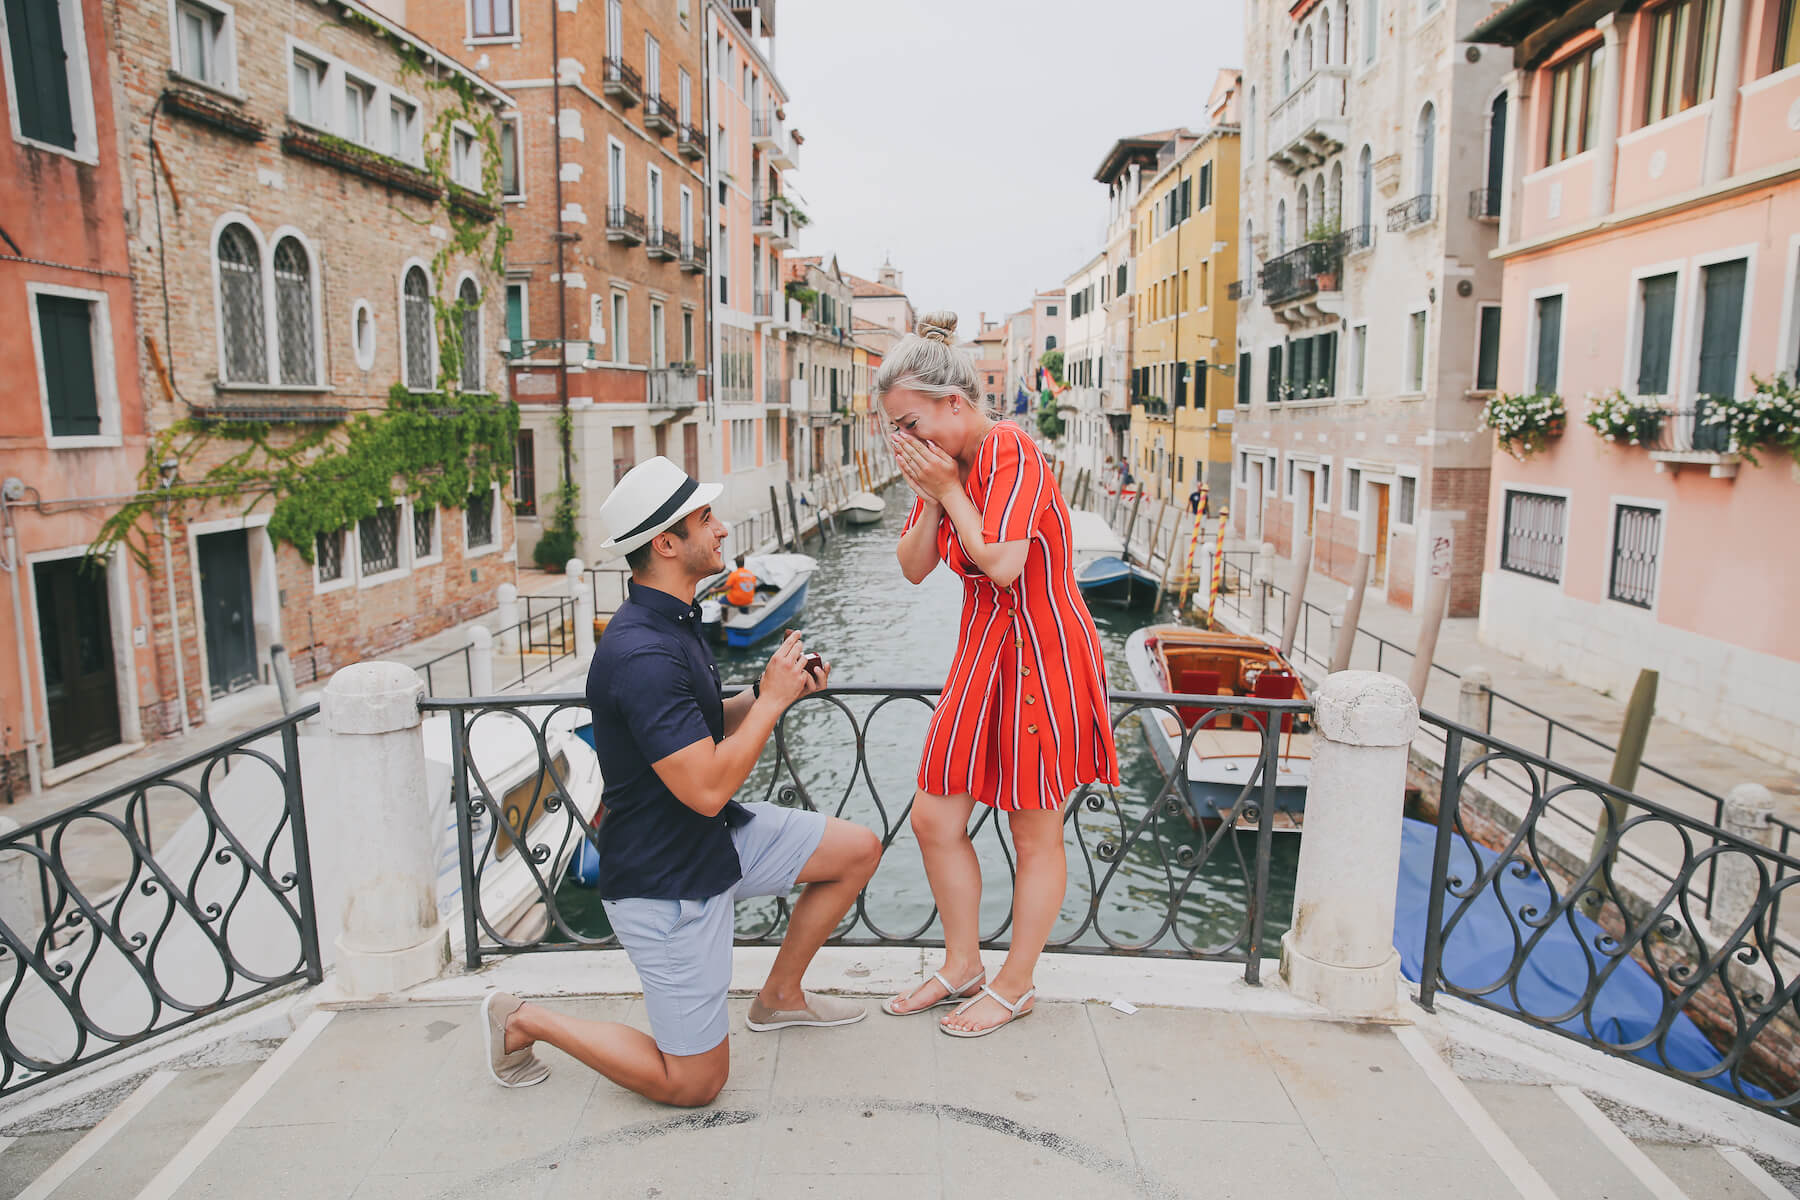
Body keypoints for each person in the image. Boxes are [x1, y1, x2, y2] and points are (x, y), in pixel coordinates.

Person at [480, 456, 882, 1106]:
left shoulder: (672, 620)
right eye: (705, 519)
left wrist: (765, 691)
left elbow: (702, 724)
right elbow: (705, 786)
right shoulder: (642, 653)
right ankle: (523, 1020)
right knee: (696, 1083)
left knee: (857, 849)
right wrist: (775, 704)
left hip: (711, 843)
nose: (722, 529)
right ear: (666, 544)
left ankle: (779, 997)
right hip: (665, 882)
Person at [877, 312, 1120, 1037]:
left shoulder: (1009, 448)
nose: (904, 442)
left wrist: (949, 487)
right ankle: (963, 964)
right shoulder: (945, 469)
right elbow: (915, 568)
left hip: (1043, 654)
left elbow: (1005, 563)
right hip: (982, 653)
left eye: (911, 424)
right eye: (896, 430)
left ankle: (1015, 985)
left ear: (957, 402)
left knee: (1034, 834)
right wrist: (930, 490)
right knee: (933, 817)